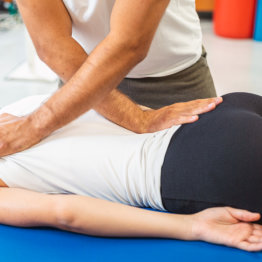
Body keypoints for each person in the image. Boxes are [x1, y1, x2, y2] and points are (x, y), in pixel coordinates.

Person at [0, 92, 261, 251]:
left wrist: (193, 226)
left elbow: (65, 213)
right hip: (224, 110)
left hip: (204, 165)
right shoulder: (12, 115)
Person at [0, 0, 220, 157]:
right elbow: (51, 45)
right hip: (78, 83)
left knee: (200, 188)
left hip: (172, 81)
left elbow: (129, 44)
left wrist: (34, 125)